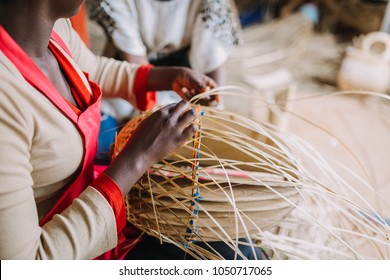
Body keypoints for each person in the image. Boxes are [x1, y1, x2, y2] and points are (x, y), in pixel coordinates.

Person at [0, 0, 217, 259]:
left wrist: (166, 77)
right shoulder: (6, 100)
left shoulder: (53, 31)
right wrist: (137, 158)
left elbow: (93, 68)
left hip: (91, 209)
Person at [90, 0, 241, 87]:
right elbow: (139, 71)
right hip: (129, 69)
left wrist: (211, 105)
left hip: (188, 71)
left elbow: (212, 68)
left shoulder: (212, 3)